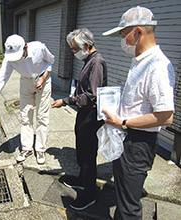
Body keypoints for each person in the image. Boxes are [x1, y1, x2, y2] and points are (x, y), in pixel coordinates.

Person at [102, 6, 175, 220]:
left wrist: (123, 121)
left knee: (128, 208)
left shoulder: (158, 66)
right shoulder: (141, 60)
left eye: (124, 35)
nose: (122, 40)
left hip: (137, 143)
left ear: (139, 32)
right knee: (123, 196)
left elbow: (165, 116)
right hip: (127, 138)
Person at [52, 28, 107, 211]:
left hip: (90, 116)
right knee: (82, 151)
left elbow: (92, 95)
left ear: (86, 45)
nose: (74, 52)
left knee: (88, 155)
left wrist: (66, 101)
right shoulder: (88, 60)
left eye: (75, 48)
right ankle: (82, 181)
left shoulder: (97, 62)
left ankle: (90, 193)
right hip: (84, 114)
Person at [0, 34, 54, 165]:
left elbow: (50, 61)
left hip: (43, 80)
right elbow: (1, 78)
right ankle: (26, 149)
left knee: (42, 116)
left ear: (25, 47)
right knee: (25, 116)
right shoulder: (10, 58)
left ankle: (40, 149)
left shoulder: (39, 47)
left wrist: (43, 79)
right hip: (26, 82)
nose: (17, 59)